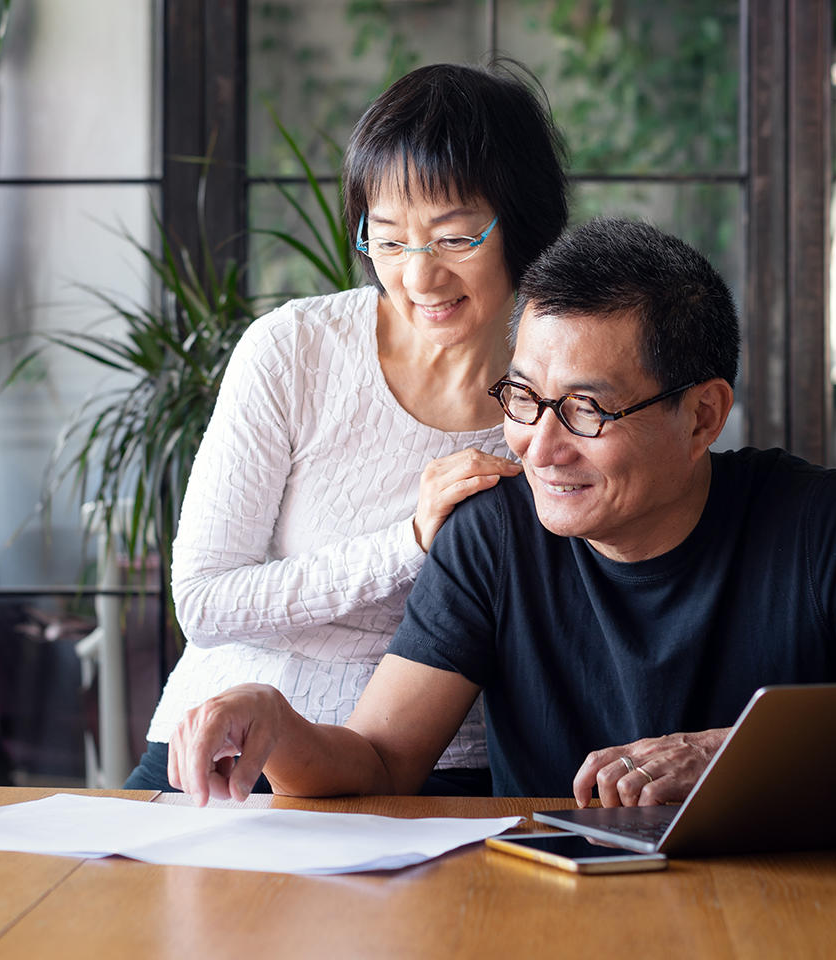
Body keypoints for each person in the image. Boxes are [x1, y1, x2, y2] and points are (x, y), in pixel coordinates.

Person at [165, 217, 836, 807]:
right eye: (525, 398)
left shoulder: (821, 524)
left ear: (703, 417)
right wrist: (276, 721)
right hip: (554, 910)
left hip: (790, 905)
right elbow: (377, 761)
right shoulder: (493, 533)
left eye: (587, 410)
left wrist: (730, 754)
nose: (540, 447)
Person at [124, 59, 569, 795]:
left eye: (454, 238)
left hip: (434, 763)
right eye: (388, 239)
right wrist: (410, 541)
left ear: (522, 224)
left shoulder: (558, 398)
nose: (418, 277)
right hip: (229, 741)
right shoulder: (297, 348)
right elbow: (204, 600)